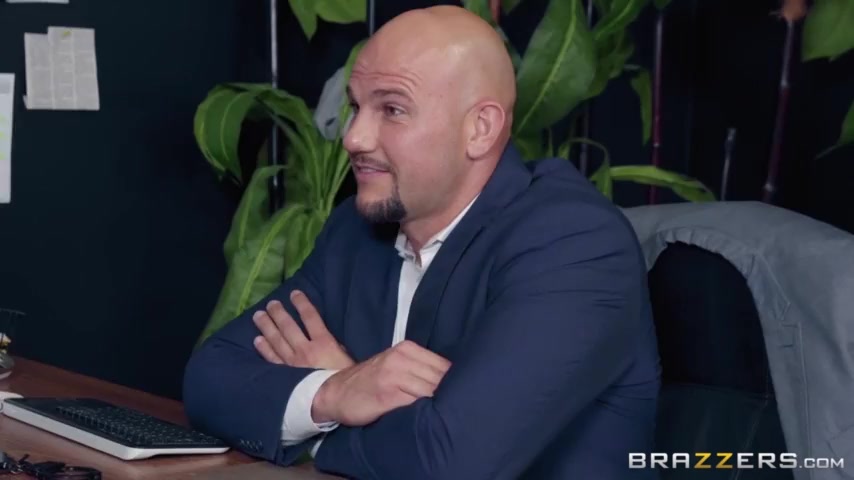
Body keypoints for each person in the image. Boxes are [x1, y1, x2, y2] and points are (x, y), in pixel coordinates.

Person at [183, 5, 661, 479]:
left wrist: (332, 421)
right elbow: (211, 377)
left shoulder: (574, 242)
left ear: (480, 129)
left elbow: (452, 463)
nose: (353, 138)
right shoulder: (357, 231)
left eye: (392, 109)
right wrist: (335, 392)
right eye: (356, 107)